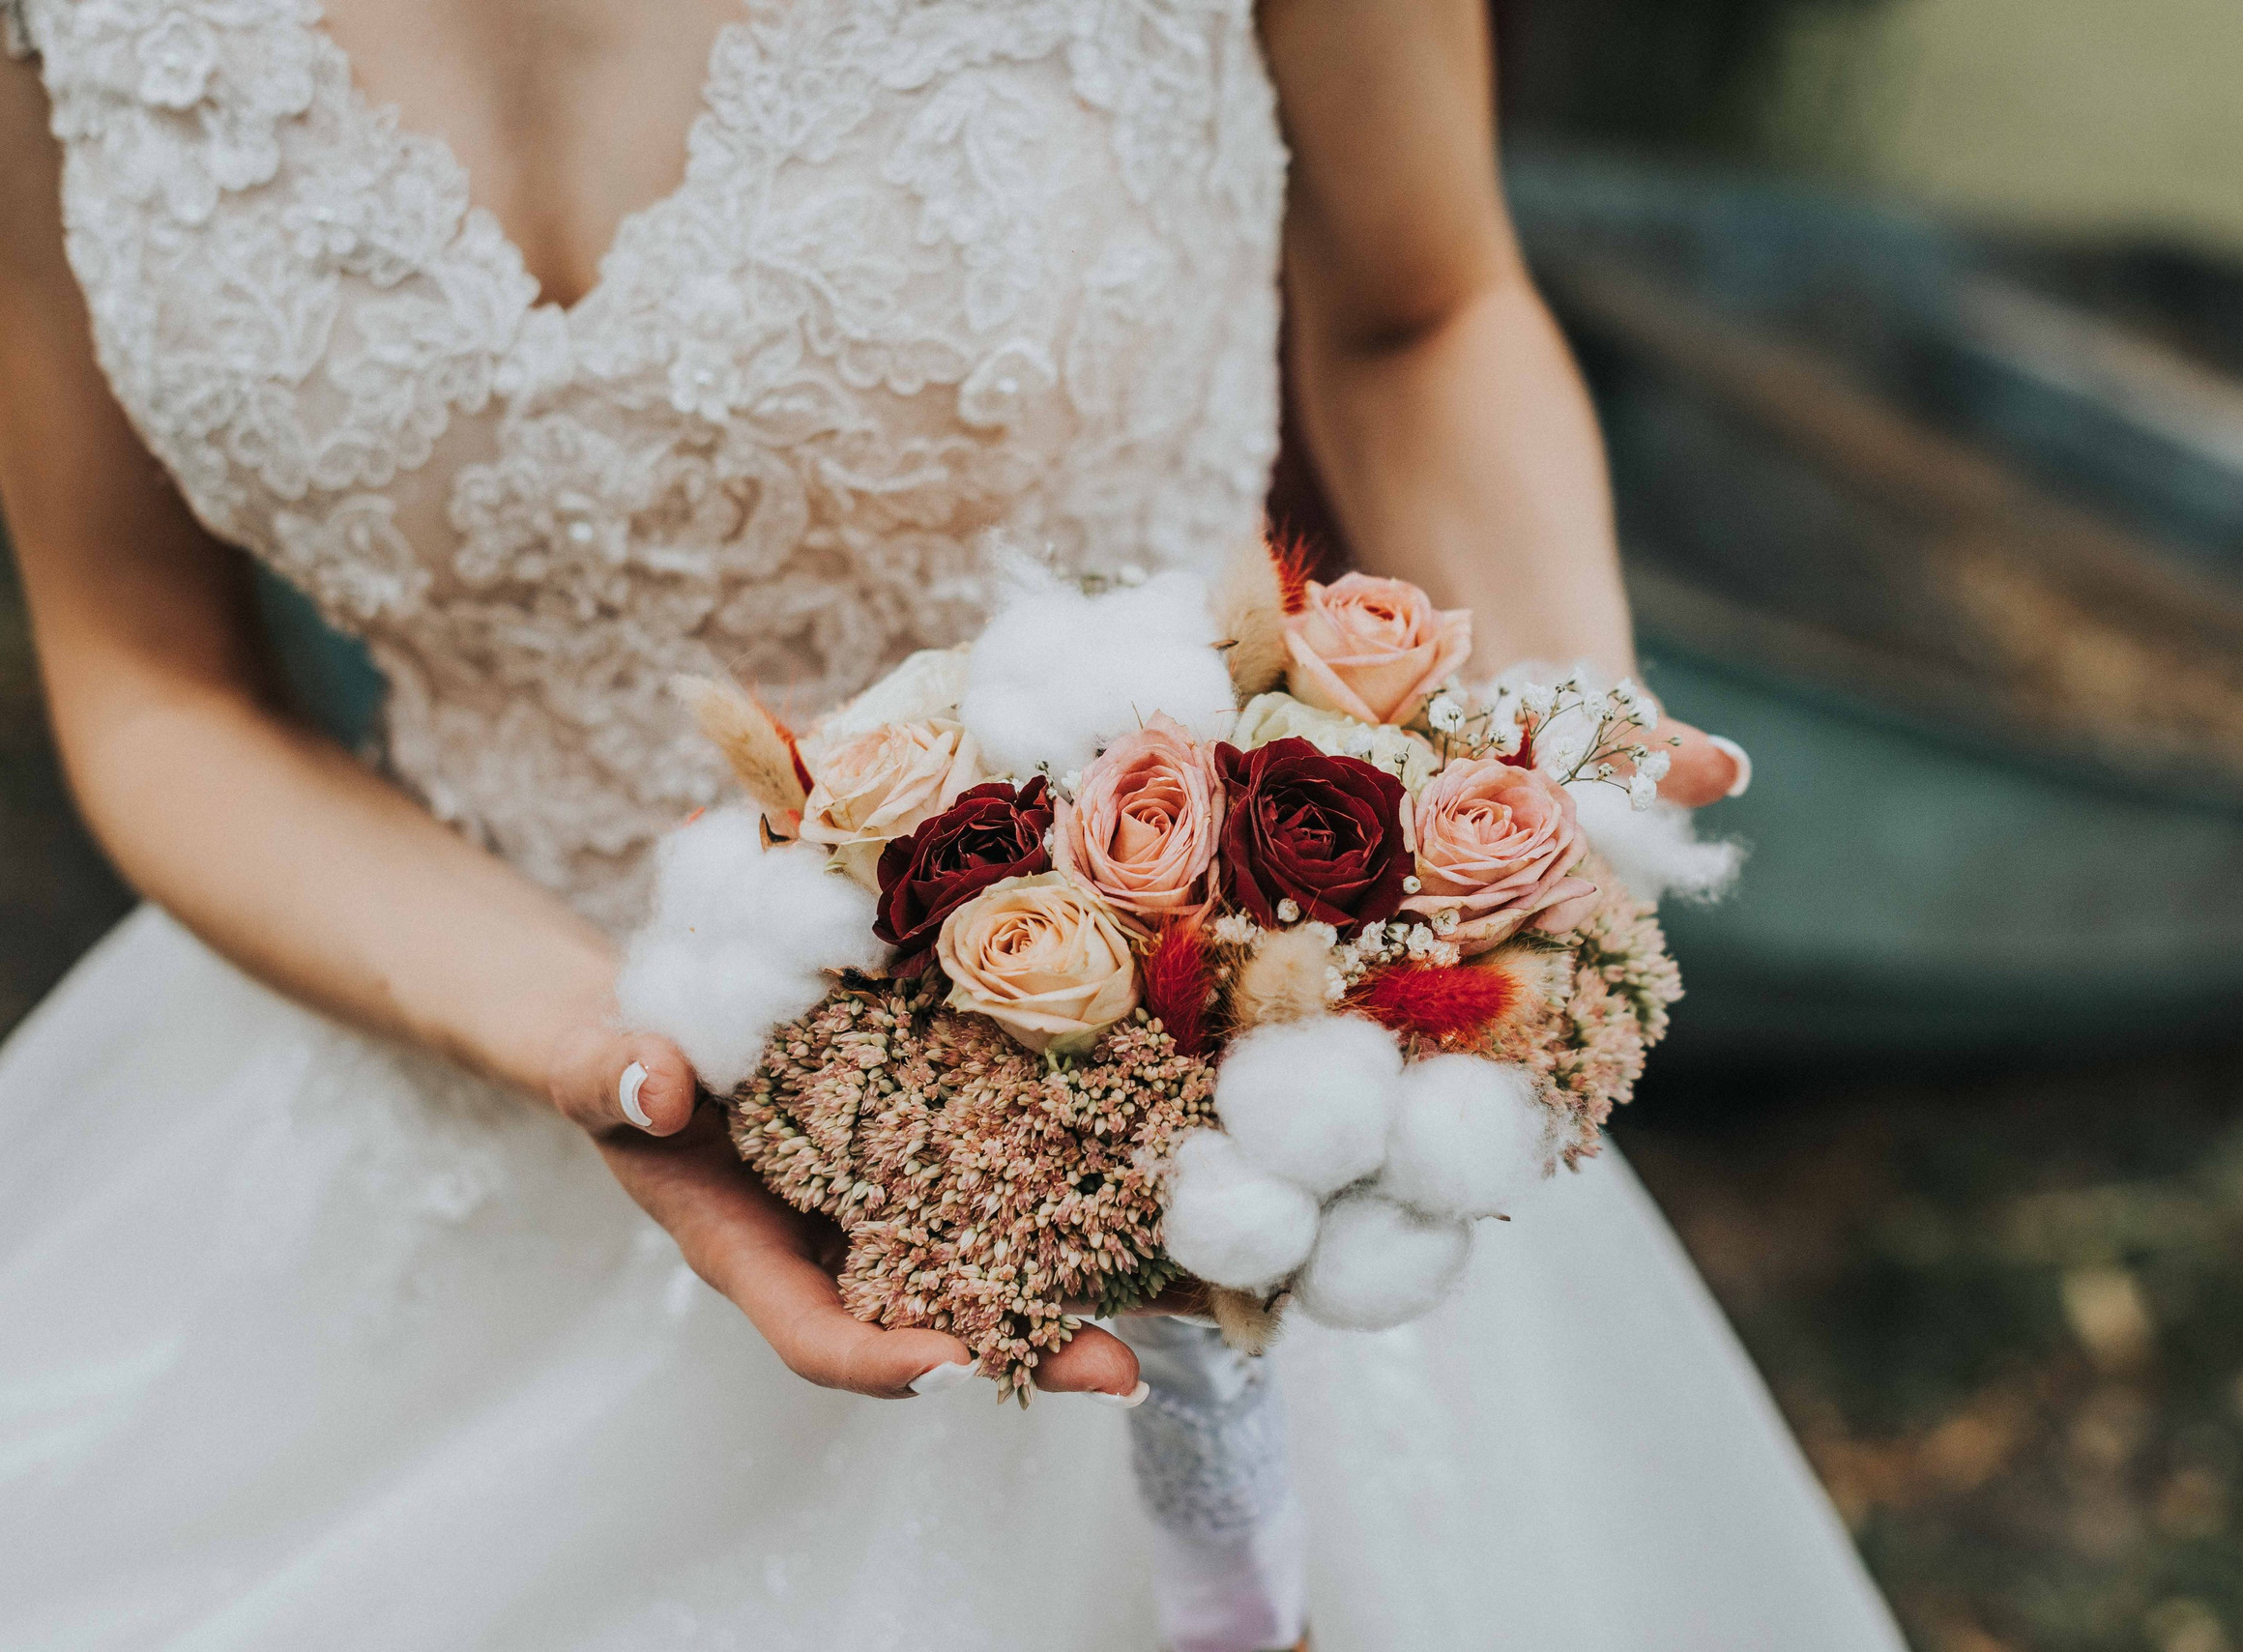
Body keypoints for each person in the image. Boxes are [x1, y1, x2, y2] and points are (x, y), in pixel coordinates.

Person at [0, 1, 1904, 1647]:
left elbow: (1419, 310)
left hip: (1188, 1104)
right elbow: (154, 681)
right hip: (417, 1089)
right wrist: (594, 1044)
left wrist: (1536, 782)